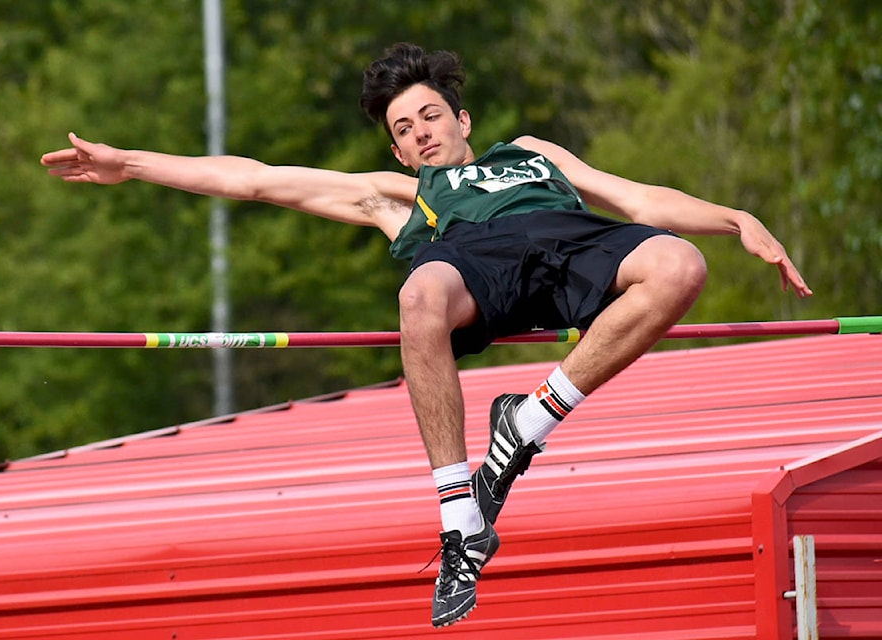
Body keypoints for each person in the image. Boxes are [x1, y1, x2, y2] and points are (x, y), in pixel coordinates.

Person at [41, 42, 812, 628]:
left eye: (429, 115)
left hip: (571, 241)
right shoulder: (398, 195)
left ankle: (531, 418)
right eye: (404, 130)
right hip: (471, 266)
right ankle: (460, 522)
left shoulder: (534, 155)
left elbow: (637, 196)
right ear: (399, 150)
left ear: (461, 119)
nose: (420, 133)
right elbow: (253, 177)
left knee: (679, 263)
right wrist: (131, 164)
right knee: (418, 295)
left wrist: (735, 218)